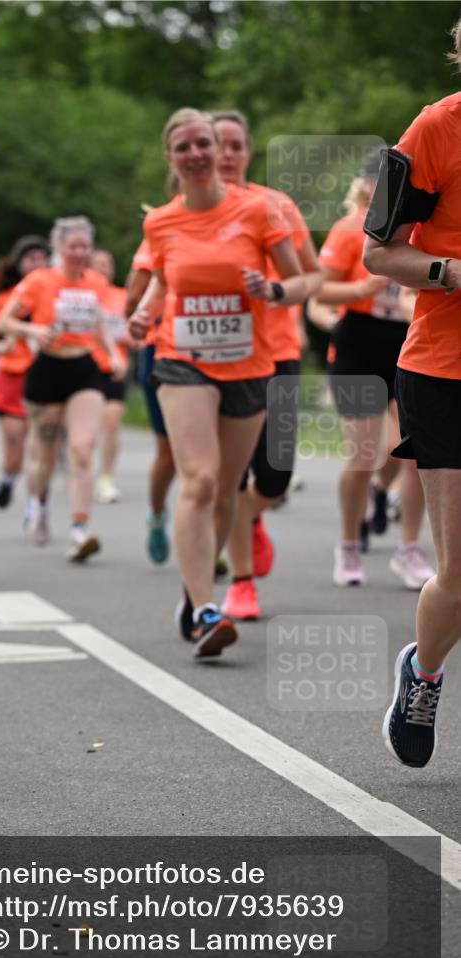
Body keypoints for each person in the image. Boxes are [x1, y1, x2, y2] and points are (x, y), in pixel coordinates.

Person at [129, 108, 308, 659]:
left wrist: (273, 292)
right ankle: (210, 610)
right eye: (184, 147)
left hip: (251, 364)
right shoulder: (159, 222)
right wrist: (142, 314)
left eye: (204, 143)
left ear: (222, 149)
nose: (198, 154)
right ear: (171, 159)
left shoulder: (258, 210)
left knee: (228, 490)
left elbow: (304, 279)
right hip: (182, 359)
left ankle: (194, 587)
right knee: (201, 481)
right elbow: (160, 280)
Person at [363, 19, 461, 768]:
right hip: (443, 369)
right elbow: (378, 252)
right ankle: (422, 673)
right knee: (459, 575)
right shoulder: (434, 129)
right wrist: (452, 274)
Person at [211, 109, 323, 620]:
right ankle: (241, 583)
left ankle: (249, 518)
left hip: (275, 353)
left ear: (248, 151)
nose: (227, 153)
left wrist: (277, 292)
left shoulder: (276, 205)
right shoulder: (186, 213)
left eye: (236, 144)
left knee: (275, 475)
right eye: (217, 144)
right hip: (215, 361)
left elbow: (314, 276)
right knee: (229, 476)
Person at [316, 149, 434, 590]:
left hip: (407, 340)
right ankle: (348, 543)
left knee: (418, 451)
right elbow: (319, 291)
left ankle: (408, 549)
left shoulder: (421, 227)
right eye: (378, 182)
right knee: (366, 453)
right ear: (366, 185)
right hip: (358, 343)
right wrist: (361, 287)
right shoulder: (350, 230)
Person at [0, 216, 126, 562]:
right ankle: (38, 504)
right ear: (59, 248)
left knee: (82, 449)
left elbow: (99, 327)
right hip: (46, 370)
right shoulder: (40, 281)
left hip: (84, 368)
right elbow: (4, 321)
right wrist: (32, 333)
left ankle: (79, 530)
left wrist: (114, 355)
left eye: (85, 246)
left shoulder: (96, 283)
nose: (80, 252)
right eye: (73, 246)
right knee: (44, 458)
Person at [0, 235, 50, 512]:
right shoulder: (3, 299)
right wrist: (2, 345)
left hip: (47, 377)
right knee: (15, 453)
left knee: (40, 448)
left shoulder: (57, 293)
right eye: (30, 258)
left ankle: (34, 507)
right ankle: (8, 478)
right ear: (19, 263)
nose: (36, 264)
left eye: (41, 258)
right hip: (12, 378)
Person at [127, 237, 175, 563]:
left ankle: (211, 534)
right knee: (168, 450)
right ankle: (156, 515)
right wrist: (142, 316)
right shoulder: (162, 231)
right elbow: (133, 298)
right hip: (164, 352)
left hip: (221, 354)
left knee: (213, 454)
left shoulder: (237, 222)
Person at [90, 248, 131, 504]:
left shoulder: (123, 296)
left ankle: (105, 477)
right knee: (86, 425)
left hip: (116, 366)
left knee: (112, 422)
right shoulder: (85, 295)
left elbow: (136, 331)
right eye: (99, 263)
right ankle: (78, 465)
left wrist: (129, 338)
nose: (104, 267)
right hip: (87, 365)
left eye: (108, 262)